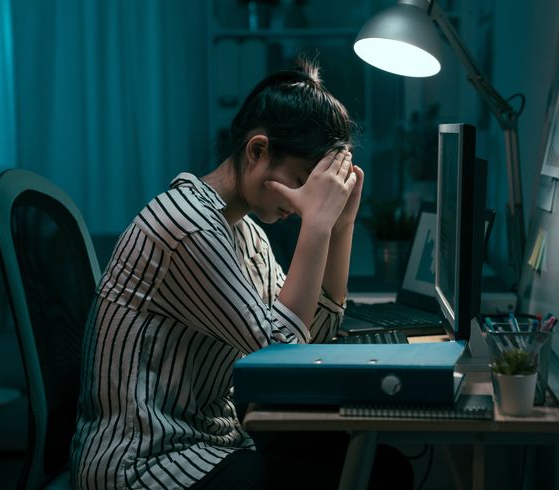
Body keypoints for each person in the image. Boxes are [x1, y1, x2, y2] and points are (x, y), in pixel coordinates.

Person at [70, 58, 414, 489]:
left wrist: (342, 225)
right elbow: (280, 351)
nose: (307, 198)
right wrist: (317, 224)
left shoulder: (244, 232)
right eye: (302, 179)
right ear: (257, 151)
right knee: (367, 477)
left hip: (209, 443)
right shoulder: (187, 225)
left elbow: (313, 334)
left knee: (383, 469)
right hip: (144, 461)